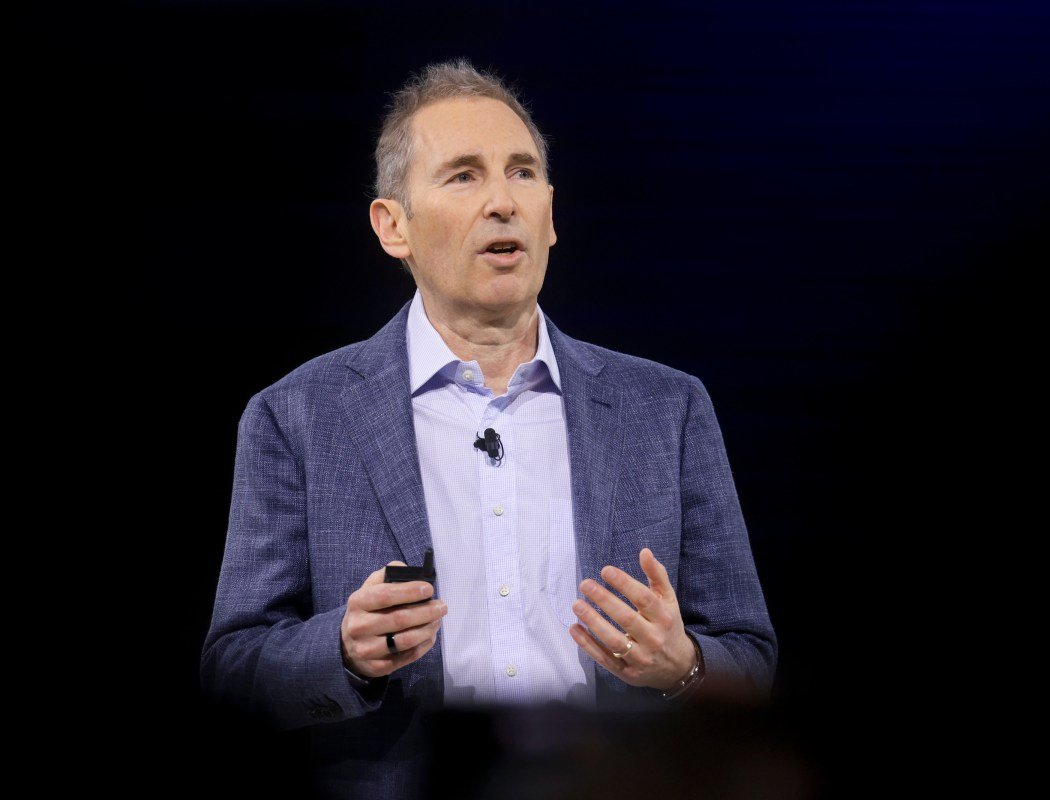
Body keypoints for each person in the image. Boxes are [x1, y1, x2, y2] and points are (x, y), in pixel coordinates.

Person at [200, 59, 776, 799]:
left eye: (522, 173)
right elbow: (233, 667)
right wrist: (341, 649)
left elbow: (749, 656)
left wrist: (684, 666)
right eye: (464, 176)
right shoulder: (298, 416)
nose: (503, 202)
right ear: (393, 226)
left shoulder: (666, 409)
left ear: (551, 215)